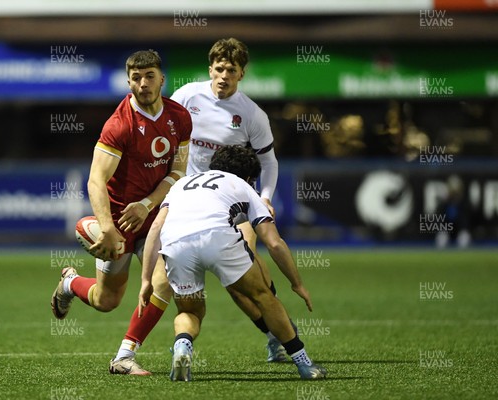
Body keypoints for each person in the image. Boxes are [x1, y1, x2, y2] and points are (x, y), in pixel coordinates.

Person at [108, 38, 294, 373]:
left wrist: (264, 196)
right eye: (219, 69)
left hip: (232, 206)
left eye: (231, 71)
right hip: (186, 200)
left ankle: (274, 335)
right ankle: (126, 352)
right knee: (163, 281)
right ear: (211, 69)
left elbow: (270, 163)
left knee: (245, 287)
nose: (224, 76)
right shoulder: (187, 97)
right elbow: (162, 133)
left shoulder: (252, 115)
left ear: (242, 74)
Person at [50, 49, 192, 375]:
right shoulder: (119, 125)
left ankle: (124, 356)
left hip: (154, 214)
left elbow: (178, 172)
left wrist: (147, 205)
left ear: (162, 79)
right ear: (128, 81)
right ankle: (71, 283)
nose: (143, 84)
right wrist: (108, 228)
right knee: (106, 301)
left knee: (165, 279)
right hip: (120, 220)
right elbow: (96, 180)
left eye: (150, 76)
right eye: (136, 78)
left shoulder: (180, 118)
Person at [138, 145, 327, 381]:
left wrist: (146, 279)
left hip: (176, 243)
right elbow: (274, 242)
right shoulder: (244, 187)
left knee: (189, 310)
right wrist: (297, 283)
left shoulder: (182, 184)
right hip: (217, 237)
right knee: (263, 296)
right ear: (249, 178)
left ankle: (183, 346)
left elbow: (156, 227)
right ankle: (304, 364)